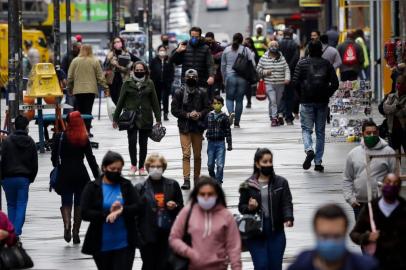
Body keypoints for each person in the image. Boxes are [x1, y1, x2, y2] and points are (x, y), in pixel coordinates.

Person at [81, 151, 142, 270]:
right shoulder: (92, 187)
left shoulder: (126, 185)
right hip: (101, 243)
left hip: (124, 242)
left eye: (119, 169)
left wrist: (122, 210)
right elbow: (85, 213)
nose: (115, 172)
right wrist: (107, 213)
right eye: (112, 168)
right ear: (104, 167)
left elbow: (138, 207)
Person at [169, 176, 242, 270]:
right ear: (196, 195)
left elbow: (233, 246)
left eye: (210, 194)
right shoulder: (188, 212)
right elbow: (174, 238)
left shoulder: (226, 215)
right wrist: (190, 253)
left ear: (216, 195)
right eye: (202, 194)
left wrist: (236, 267)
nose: (206, 197)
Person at [238, 148, 294, 270]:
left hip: (276, 231)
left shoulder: (281, 182)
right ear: (257, 164)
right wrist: (249, 207)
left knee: (275, 266)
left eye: (270, 161)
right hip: (255, 232)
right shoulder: (247, 185)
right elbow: (241, 207)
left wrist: (288, 217)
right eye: (265, 162)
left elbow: (286, 203)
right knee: (261, 265)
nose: (268, 164)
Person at [51, 111, 100, 244]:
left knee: (66, 201)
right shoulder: (83, 138)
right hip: (81, 174)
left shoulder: (59, 137)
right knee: (79, 203)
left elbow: (54, 158)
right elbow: (91, 159)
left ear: (67, 122)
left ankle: (66, 225)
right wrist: (98, 176)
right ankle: (75, 231)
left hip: (65, 174)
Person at [292, 40, 339, 172]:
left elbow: (295, 82)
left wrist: (301, 94)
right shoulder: (327, 64)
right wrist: (327, 93)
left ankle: (309, 149)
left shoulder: (301, 63)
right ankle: (318, 162)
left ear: (308, 50)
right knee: (320, 132)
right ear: (321, 50)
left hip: (306, 100)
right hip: (322, 102)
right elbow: (335, 83)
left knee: (306, 129)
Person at [289, 204, 378, 270]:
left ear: (345, 233)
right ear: (315, 233)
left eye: (336, 236)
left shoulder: (366, 266)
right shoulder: (300, 265)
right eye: (324, 236)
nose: (330, 242)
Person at [135, 154, 184, 270]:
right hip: (148, 235)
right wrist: (138, 237)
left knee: (166, 264)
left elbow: (182, 208)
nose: (156, 169)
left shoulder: (172, 185)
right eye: (152, 166)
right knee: (149, 265)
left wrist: (175, 206)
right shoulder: (140, 188)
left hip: (167, 234)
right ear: (147, 168)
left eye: (158, 166)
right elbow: (135, 213)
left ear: (163, 168)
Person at [113, 61, 161, 176]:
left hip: (146, 117)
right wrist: (115, 118)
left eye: (141, 70)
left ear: (145, 70)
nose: (139, 71)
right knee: (132, 141)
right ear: (133, 70)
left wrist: (158, 117)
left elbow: (155, 101)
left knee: (143, 143)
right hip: (131, 117)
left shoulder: (149, 83)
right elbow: (120, 101)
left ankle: (141, 167)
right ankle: (133, 165)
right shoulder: (127, 83)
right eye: (137, 70)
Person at [350, 173, 406, 270]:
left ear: (399, 188)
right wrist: (367, 237)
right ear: (382, 185)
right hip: (376, 261)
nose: (391, 186)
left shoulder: (404, 208)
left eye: (395, 183)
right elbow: (354, 234)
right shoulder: (371, 208)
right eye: (388, 182)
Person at [343, 120, 396, 220]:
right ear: (362, 134)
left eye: (374, 133)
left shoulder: (389, 152)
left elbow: (394, 178)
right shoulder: (353, 154)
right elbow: (347, 178)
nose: (372, 135)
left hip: (381, 203)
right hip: (359, 204)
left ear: (378, 133)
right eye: (368, 133)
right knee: (362, 233)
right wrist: (350, 199)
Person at [171, 69, 210, 190]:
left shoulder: (202, 92)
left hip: (198, 127)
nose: (191, 79)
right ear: (185, 78)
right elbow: (174, 110)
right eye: (189, 77)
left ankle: (197, 178)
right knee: (186, 154)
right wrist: (187, 115)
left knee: (197, 155)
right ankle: (186, 179)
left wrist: (199, 114)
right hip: (184, 127)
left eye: (194, 77)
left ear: (197, 79)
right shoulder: (179, 92)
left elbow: (208, 107)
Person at [1, 115, 38, 237]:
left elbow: (2, 160)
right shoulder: (31, 142)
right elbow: (34, 164)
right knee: (21, 204)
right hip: (23, 178)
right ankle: (16, 232)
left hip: (7, 178)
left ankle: (11, 233)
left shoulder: (7, 141)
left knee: (11, 204)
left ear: (14, 126)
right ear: (27, 127)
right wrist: (30, 178)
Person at [67, 44, 109, 133]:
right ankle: (87, 130)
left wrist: (70, 88)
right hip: (90, 91)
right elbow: (100, 76)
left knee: (78, 112)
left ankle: (79, 131)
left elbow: (70, 77)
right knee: (88, 111)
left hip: (78, 91)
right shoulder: (95, 61)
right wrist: (105, 88)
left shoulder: (75, 61)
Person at [221, 33, 255, 128]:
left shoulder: (227, 50)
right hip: (242, 78)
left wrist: (224, 78)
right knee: (239, 100)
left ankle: (231, 112)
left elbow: (223, 66)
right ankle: (237, 122)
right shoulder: (246, 50)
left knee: (229, 98)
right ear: (242, 40)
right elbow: (252, 64)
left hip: (230, 77)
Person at [257, 40, 290, 127]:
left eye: (275, 45)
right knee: (273, 101)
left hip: (280, 83)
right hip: (269, 83)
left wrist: (287, 78)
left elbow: (286, 69)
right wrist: (265, 72)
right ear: (268, 47)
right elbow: (258, 69)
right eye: (272, 45)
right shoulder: (264, 57)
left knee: (277, 102)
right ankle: (274, 118)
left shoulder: (282, 58)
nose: (274, 47)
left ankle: (273, 116)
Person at [205, 96, 232, 185]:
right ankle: (212, 177)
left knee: (220, 165)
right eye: (215, 103)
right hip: (211, 143)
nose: (216, 105)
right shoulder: (209, 115)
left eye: (218, 103)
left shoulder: (224, 117)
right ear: (212, 105)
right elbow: (203, 125)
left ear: (222, 105)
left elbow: (228, 130)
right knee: (210, 165)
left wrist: (229, 143)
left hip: (220, 143)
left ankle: (218, 181)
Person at [105, 37, 139, 105]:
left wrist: (131, 66)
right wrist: (108, 59)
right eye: (115, 42)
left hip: (123, 78)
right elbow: (105, 66)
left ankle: (121, 112)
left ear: (122, 43)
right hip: (112, 79)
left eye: (118, 42)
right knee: (114, 97)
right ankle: (118, 110)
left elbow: (138, 61)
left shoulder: (127, 54)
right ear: (113, 44)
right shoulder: (110, 54)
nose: (117, 43)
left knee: (122, 96)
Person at [278, 28, 300, 125]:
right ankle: (289, 117)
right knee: (290, 95)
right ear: (291, 35)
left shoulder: (279, 43)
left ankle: (280, 114)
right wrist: (289, 67)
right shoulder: (295, 45)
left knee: (280, 94)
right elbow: (296, 57)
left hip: (279, 72)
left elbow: (275, 56)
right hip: (291, 72)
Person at [383, 72, 406, 154]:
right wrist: (396, 107)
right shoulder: (391, 96)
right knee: (395, 154)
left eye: (402, 84)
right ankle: (397, 167)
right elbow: (385, 109)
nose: (399, 86)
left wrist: (392, 110)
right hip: (392, 130)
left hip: (403, 130)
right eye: (398, 83)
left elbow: (402, 113)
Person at [150, 45, 175, 121]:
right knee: (157, 99)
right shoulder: (154, 60)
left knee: (165, 98)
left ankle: (165, 113)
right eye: (160, 50)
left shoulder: (169, 60)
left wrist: (170, 80)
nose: (162, 51)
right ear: (158, 51)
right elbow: (151, 72)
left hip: (166, 83)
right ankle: (158, 114)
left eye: (163, 50)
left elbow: (172, 71)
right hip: (156, 83)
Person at [205, 32, 225, 99]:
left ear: (213, 39)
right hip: (205, 74)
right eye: (207, 40)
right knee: (206, 93)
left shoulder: (218, 47)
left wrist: (214, 57)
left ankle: (216, 107)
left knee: (216, 93)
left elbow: (223, 59)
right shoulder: (203, 47)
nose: (209, 42)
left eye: (210, 40)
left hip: (216, 74)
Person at [243, 37, 260, 109]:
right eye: (246, 42)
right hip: (243, 70)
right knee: (245, 87)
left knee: (248, 86)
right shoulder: (242, 50)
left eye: (249, 42)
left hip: (251, 70)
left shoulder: (254, 50)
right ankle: (247, 99)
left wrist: (256, 69)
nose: (247, 44)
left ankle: (249, 101)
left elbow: (256, 60)